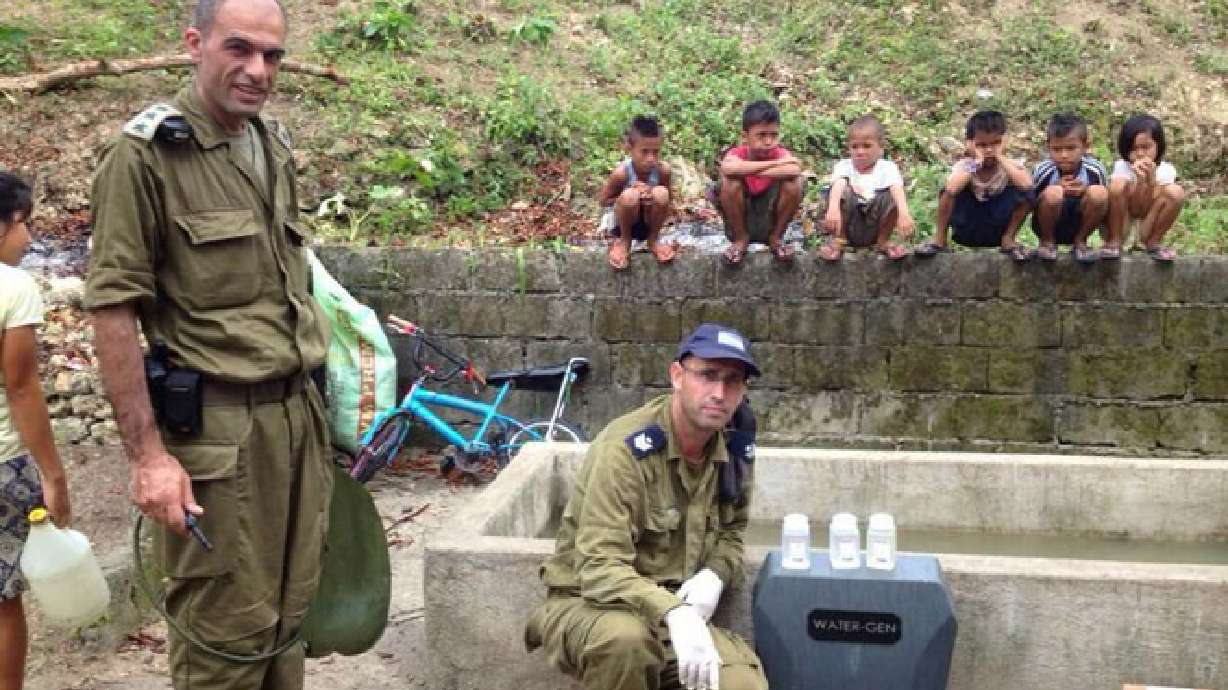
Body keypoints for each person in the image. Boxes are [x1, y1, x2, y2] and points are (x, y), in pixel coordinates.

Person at [84, 0, 333, 688]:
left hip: (294, 421)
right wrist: (148, 458)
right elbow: (111, 309)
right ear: (195, 44)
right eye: (239, 49)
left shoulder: (270, 147)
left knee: (288, 619)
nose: (258, 70)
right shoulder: (145, 156)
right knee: (226, 636)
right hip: (218, 438)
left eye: (273, 56)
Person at [525, 323, 768, 690]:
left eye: (733, 380)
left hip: (672, 614)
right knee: (625, 643)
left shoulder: (734, 448)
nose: (719, 393)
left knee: (741, 685)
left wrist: (716, 573)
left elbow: (733, 530)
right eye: (708, 376)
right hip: (591, 605)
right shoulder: (626, 450)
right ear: (677, 376)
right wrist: (674, 613)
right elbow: (598, 566)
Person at [0, 172, 71, 690]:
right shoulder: (15, 287)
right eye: (25, 225)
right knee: (2, 603)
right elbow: (21, 387)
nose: (28, 239)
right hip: (1, 466)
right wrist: (53, 474)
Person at [915, 110, 1035, 261]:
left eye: (996, 143)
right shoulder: (966, 165)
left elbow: (1027, 186)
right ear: (970, 144)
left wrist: (1000, 157)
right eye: (982, 145)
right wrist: (976, 163)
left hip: (997, 224)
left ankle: (1009, 239)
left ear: (1005, 141)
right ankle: (939, 239)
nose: (989, 150)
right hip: (968, 224)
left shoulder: (1011, 166)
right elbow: (951, 189)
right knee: (947, 191)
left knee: (1028, 193)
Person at [713, 100, 803, 265]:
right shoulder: (738, 153)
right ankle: (741, 239)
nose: (769, 142)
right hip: (741, 220)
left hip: (769, 219)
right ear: (745, 137)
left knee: (794, 183)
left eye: (774, 135)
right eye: (761, 135)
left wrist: (746, 169)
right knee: (730, 182)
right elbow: (729, 169)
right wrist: (775, 164)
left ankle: (776, 238)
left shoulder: (780, 153)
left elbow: (793, 170)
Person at [818, 115, 915, 261]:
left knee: (894, 196)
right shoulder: (844, 166)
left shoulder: (887, 168)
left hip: (874, 224)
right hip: (850, 223)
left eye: (867, 146)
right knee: (839, 192)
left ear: (881, 148)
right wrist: (832, 208)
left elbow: (896, 188)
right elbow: (839, 184)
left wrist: (904, 214)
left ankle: (883, 241)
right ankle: (839, 240)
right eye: (855, 147)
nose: (860, 152)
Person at [598, 115, 676, 270]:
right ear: (629, 148)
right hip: (622, 224)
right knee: (630, 196)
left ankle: (653, 240)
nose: (651, 158)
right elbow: (604, 201)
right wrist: (632, 194)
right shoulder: (622, 173)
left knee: (661, 193)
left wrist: (651, 197)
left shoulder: (663, 171)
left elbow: (669, 202)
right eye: (644, 152)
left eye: (656, 152)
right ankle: (624, 242)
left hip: (648, 222)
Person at [1030, 113, 1109, 263]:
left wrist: (1085, 191)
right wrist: (1053, 189)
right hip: (1048, 224)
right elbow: (1028, 203)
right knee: (1054, 193)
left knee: (1099, 193)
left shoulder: (1095, 170)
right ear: (1049, 147)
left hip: (1080, 222)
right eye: (1057, 149)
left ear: (1085, 147)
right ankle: (1047, 242)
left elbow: (1105, 205)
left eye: (1071, 148)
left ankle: (1081, 242)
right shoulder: (1043, 170)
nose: (1064, 155)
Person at [1107, 114, 1186, 262]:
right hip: (1123, 222)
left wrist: (1150, 181)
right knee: (1116, 186)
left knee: (1176, 192)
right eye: (1134, 148)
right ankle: (1114, 241)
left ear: (1158, 145)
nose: (1140, 154)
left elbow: (1145, 210)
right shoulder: (1122, 167)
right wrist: (1141, 181)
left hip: (1148, 223)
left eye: (1146, 147)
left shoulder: (1166, 170)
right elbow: (1136, 209)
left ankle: (1153, 242)